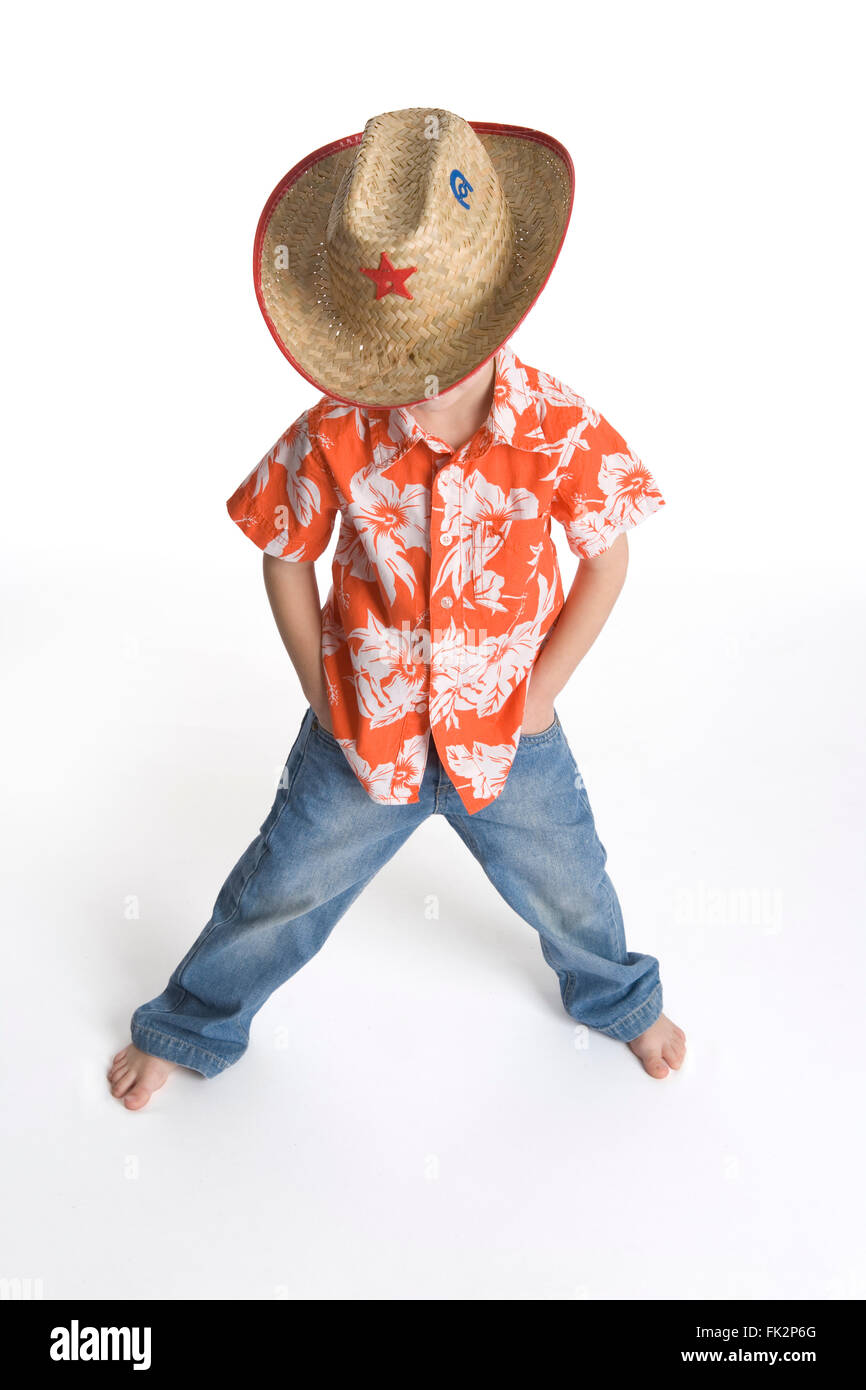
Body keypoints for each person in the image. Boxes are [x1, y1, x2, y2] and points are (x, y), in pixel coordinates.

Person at [109, 107, 685, 1110]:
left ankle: (619, 1000)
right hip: (359, 733)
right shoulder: (336, 428)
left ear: (494, 316)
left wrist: (541, 691)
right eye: (386, 348)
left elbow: (606, 558)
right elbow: (285, 555)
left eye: (440, 346)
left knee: (570, 884)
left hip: (505, 734)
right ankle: (190, 1023)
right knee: (276, 890)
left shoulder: (553, 426)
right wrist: (318, 688)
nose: (409, 382)